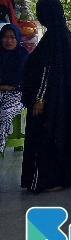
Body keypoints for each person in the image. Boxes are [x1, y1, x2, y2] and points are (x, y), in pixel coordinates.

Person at [21, 0, 71, 193]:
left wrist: (39, 98)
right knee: (61, 135)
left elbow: (46, 70)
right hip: (61, 99)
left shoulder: (53, 38)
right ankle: (62, 178)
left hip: (49, 101)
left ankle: (50, 179)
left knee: (47, 136)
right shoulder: (64, 35)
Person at [0, 23, 29, 154]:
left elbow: (19, 80)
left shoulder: (23, 55)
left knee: (4, 114)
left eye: (12, 37)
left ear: (18, 39)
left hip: (18, 95)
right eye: (5, 37)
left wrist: (6, 84)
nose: (9, 41)